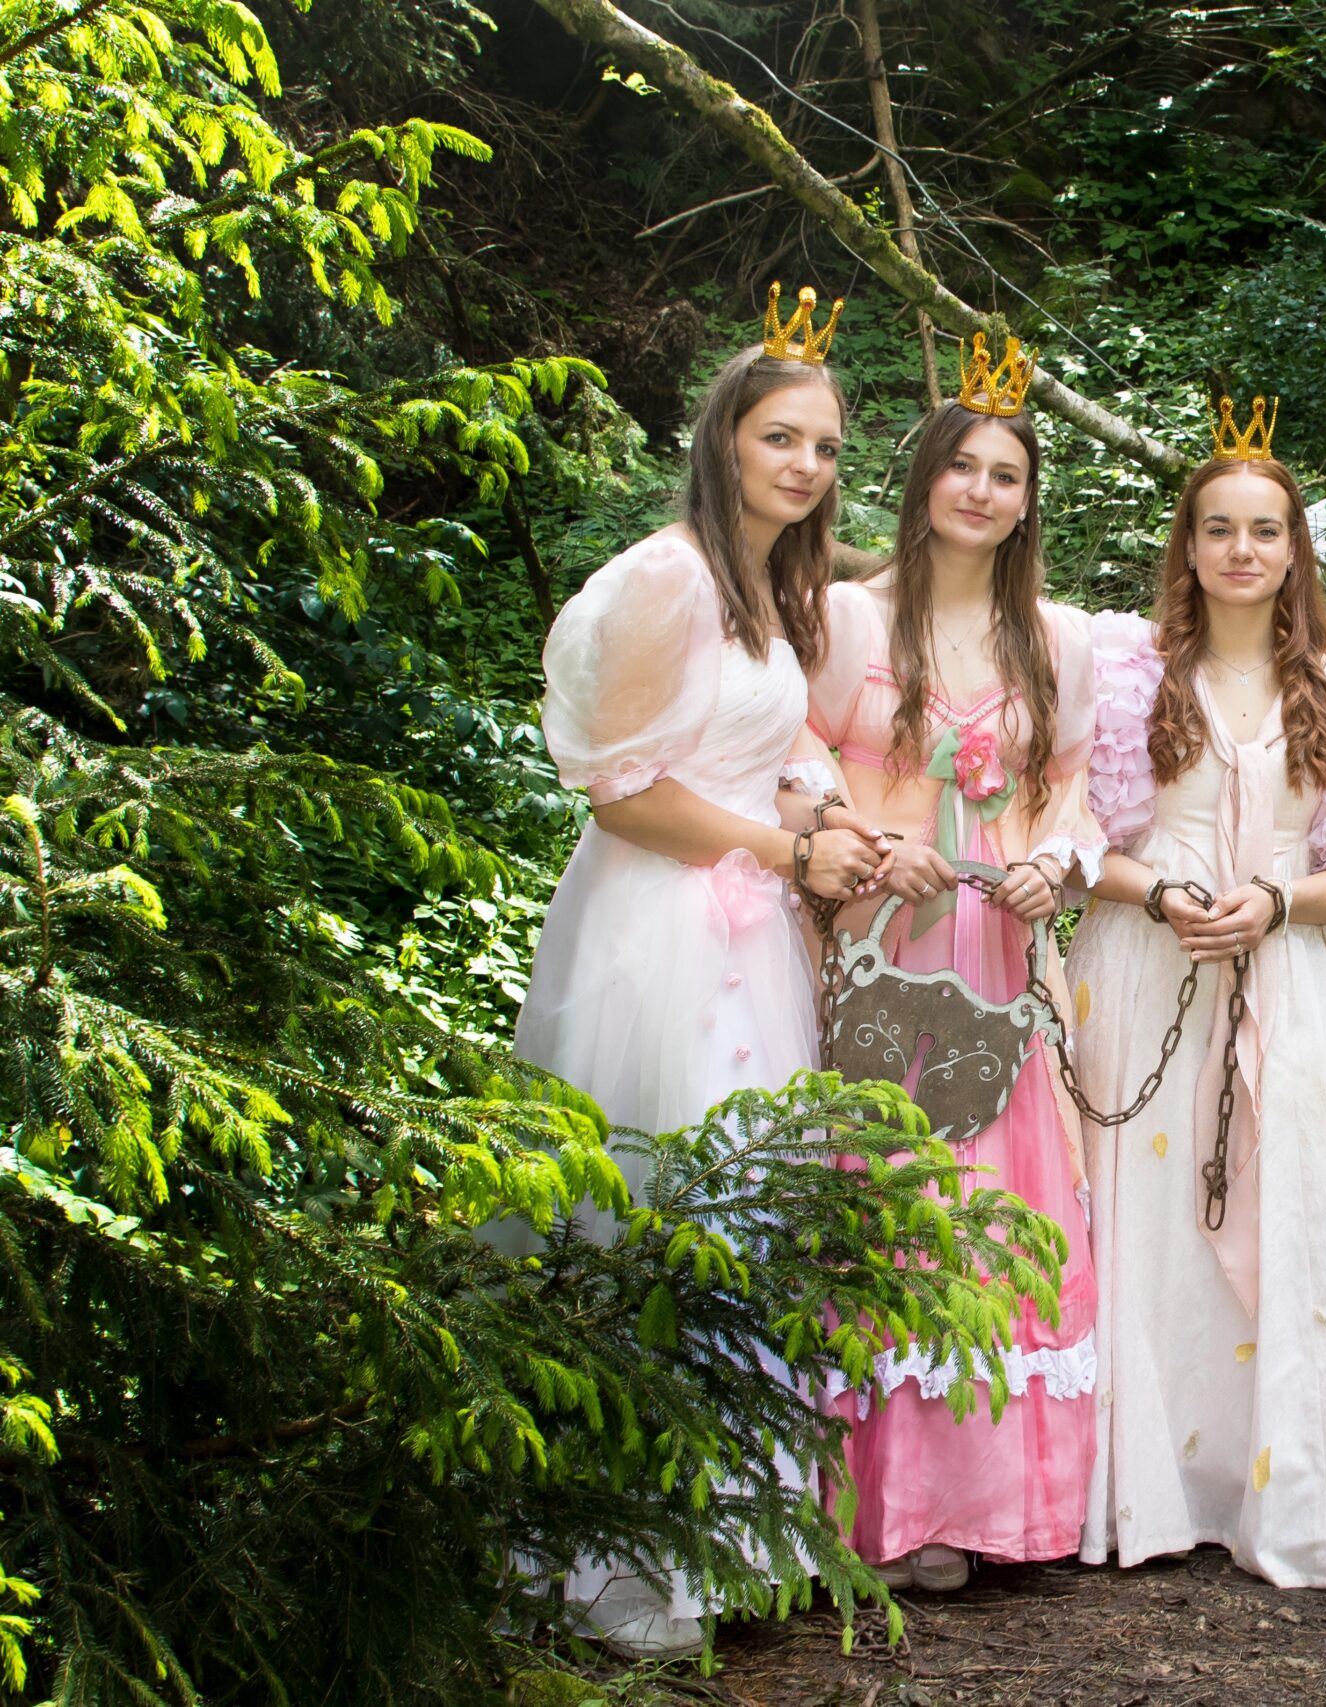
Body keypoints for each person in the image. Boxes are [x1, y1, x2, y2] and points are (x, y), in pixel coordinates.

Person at [508, 286, 886, 1655]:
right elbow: (621, 792)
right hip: (658, 931)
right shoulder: (665, 577)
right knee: (658, 1206)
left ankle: (722, 1546)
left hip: (751, 932)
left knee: (746, 1212)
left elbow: (767, 745)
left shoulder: (772, 588)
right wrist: (789, 852)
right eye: (780, 437)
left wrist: (829, 813)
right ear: (724, 438)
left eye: (826, 447)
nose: (806, 464)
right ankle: (612, 1560)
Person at [1070, 399, 1326, 1592]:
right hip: (1141, 971)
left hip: (1284, 981)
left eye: (1265, 529)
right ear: (1186, 548)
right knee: (1143, 1228)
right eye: (1218, 528)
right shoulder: (1124, 680)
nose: (1241, 549)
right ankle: (1149, 1490)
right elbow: (1068, 836)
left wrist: (1281, 902)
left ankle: (1308, 1495)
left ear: (1295, 551)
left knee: (1315, 1218)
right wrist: (1158, 891)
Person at [796, 335, 1103, 1594]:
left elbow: (1077, 795)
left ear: (1028, 502)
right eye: (961, 466)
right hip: (877, 946)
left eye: (1006, 474)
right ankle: (883, 1502)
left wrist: (1055, 865)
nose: (981, 490)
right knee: (887, 1194)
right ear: (922, 478)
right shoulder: (846, 617)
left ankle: (994, 1504)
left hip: (998, 956)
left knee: (1001, 1206)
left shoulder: (1058, 640)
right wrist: (863, 838)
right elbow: (793, 754)